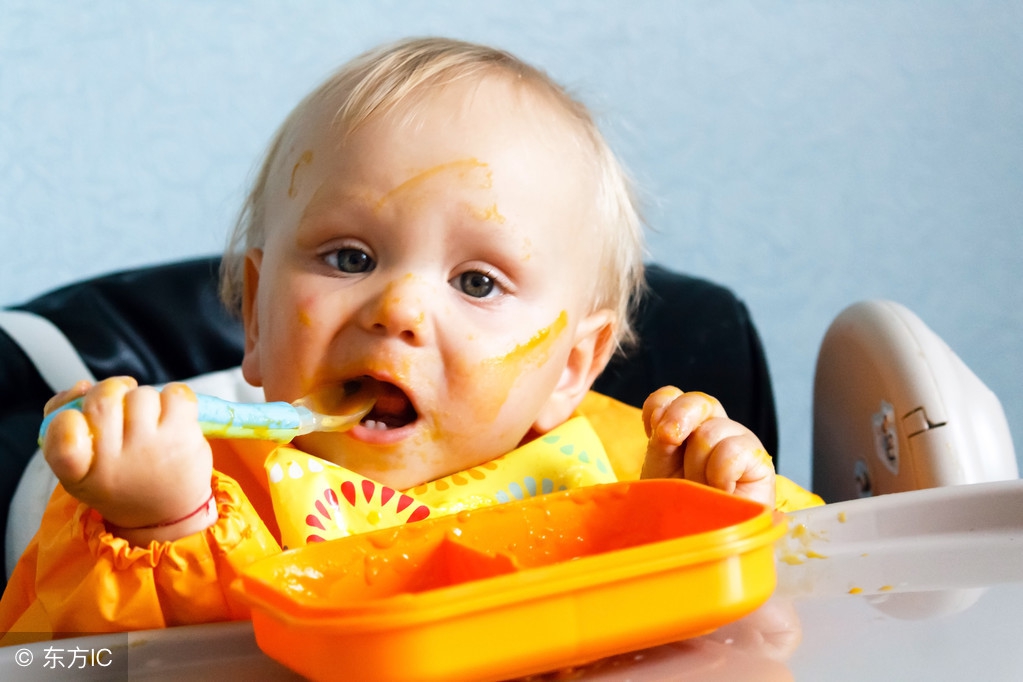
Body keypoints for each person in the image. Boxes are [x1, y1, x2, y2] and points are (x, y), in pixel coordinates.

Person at [1, 37, 818, 641]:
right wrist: (157, 529)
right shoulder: (197, 486)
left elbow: (826, 596)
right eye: (350, 257)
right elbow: (67, 660)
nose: (397, 308)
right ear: (253, 314)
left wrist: (690, 521)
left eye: (476, 282)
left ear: (571, 366)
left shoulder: (616, 465)